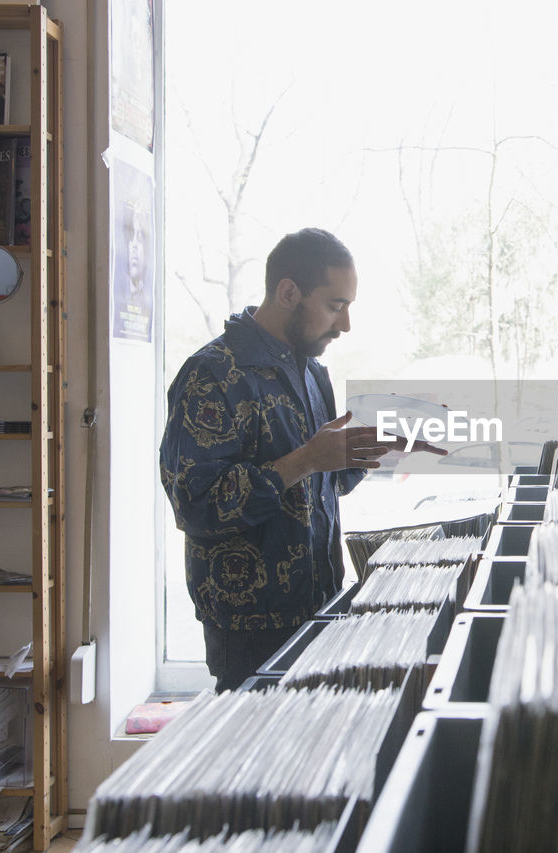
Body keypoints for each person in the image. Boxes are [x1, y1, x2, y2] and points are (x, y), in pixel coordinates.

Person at [160, 228, 444, 690]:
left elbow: (320, 483)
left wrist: (369, 452)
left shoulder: (313, 372)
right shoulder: (211, 374)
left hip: (320, 608)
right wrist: (307, 460)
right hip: (250, 629)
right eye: (335, 306)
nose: (345, 325)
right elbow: (197, 505)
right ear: (289, 292)